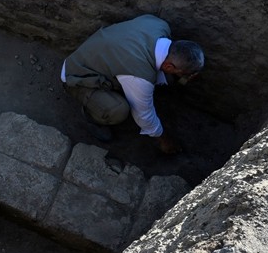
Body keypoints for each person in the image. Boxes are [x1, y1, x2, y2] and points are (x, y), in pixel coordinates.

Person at [61, 14, 204, 154]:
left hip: (96, 56)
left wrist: (181, 76)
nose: (185, 77)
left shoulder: (159, 25)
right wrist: (164, 140)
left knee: (158, 81)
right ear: (169, 67)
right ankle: (91, 116)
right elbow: (144, 116)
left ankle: (113, 86)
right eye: (184, 73)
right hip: (76, 76)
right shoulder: (139, 76)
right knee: (118, 110)